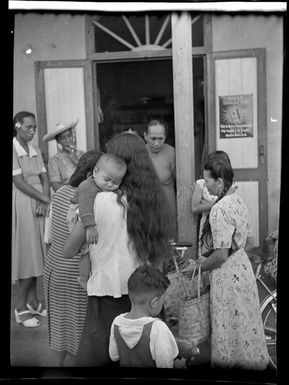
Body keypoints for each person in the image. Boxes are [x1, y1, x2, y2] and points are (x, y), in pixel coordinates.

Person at [63, 131, 171, 367]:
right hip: (141, 298)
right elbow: (158, 257)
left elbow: (69, 250)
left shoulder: (98, 202)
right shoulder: (151, 201)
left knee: (101, 359)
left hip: (105, 296)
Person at [189, 154, 269, 370]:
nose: (204, 185)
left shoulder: (218, 209)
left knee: (227, 325)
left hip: (226, 274)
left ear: (220, 182)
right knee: (245, 323)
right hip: (242, 268)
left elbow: (220, 255)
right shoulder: (237, 200)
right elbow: (249, 241)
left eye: (207, 181)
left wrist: (198, 267)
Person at [43, 150, 102, 366]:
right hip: (73, 273)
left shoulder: (59, 193)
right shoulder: (86, 201)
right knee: (79, 337)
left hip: (53, 268)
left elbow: (49, 237)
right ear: (89, 175)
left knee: (60, 334)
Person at [109, 265, 199, 368]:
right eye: (162, 300)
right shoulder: (158, 328)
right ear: (154, 302)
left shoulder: (117, 322)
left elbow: (114, 356)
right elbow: (165, 364)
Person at [67, 153, 127, 290]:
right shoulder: (90, 187)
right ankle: (83, 278)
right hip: (79, 216)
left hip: (80, 214)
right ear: (95, 172)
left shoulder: (97, 185)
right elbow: (85, 208)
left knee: (88, 250)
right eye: (107, 180)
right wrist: (90, 227)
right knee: (85, 250)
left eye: (116, 183)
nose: (110, 185)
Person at [12, 111, 50, 327]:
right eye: (29, 127)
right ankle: (20, 307)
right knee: (28, 254)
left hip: (38, 202)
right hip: (24, 201)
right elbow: (18, 181)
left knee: (38, 253)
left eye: (34, 127)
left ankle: (34, 301)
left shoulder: (33, 149)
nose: (33, 131)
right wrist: (42, 197)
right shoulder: (13, 147)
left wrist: (44, 200)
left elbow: (44, 177)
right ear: (17, 126)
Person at [191, 151, 236, 258]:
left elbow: (228, 205)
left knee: (222, 252)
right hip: (207, 226)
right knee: (206, 254)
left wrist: (207, 203)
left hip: (225, 224)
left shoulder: (231, 185)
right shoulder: (202, 183)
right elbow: (194, 207)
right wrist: (217, 203)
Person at [144, 118, 177, 240]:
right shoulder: (140, 153)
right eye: (153, 139)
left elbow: (181, 183)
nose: (157, 143)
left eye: (161, 139)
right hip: (146, 204)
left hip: (167, 204)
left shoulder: (172, 153)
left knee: (169, 239)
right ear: (145, 136)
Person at [42, 118, 84, 192]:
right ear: (58, 141)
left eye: (69, 135)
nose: (67, 140)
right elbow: (56, 186)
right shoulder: (54, 160)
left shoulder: (82, 154)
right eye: (63, 138)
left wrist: (74, 157)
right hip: (68, 198)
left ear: (73, 136)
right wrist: (75, 191)